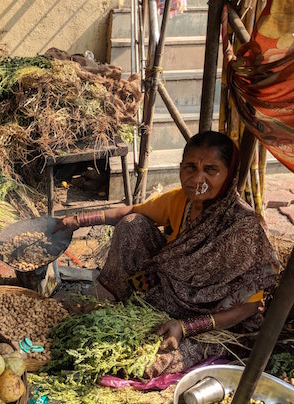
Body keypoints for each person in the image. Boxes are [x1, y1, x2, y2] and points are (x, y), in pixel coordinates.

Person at [54, 130, 280, 376]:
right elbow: (131, 211)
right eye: (190, 167)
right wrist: (77, 219)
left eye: (211, 170)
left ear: (229, 175)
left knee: (147, 364)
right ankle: (113, 296)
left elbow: (248, 308)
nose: (198, 179)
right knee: (133, 224)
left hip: (210, 317)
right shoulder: (181, 200)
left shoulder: (243, 227)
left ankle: (157, 322)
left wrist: (186, 327)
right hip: (167, 292)